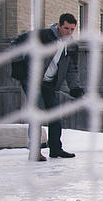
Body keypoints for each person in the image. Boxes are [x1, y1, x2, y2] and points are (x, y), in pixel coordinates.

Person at [10, 13, 84, 161]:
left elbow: (72, 69)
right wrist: (18, 65)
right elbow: (16, 42)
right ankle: (35, 151)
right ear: (58, 25)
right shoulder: (42, 36)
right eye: (66, 28)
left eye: (72, 29)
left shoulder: (72, 46)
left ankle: (56, 149)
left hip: (49, 83)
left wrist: (74, 87)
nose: (69, 32)